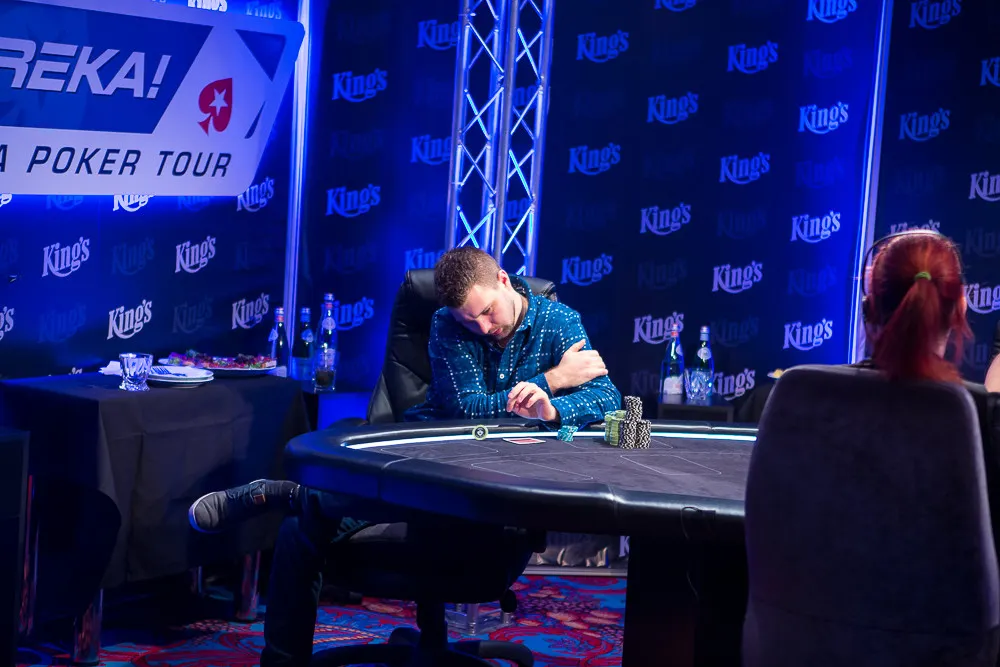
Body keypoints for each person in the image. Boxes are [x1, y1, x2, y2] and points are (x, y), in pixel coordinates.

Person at [188, 247, 621, 666]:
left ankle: (284, 493)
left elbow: (606, 397)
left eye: (488, 312)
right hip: (435, 452)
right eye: (470, 320)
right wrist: (553, 380)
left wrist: (551, 410)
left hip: (502, 476)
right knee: (299, 531)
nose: (483, 327)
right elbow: (468, 412)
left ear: (503, 281)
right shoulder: (447, 323)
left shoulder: (559, 321)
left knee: (315, 511)